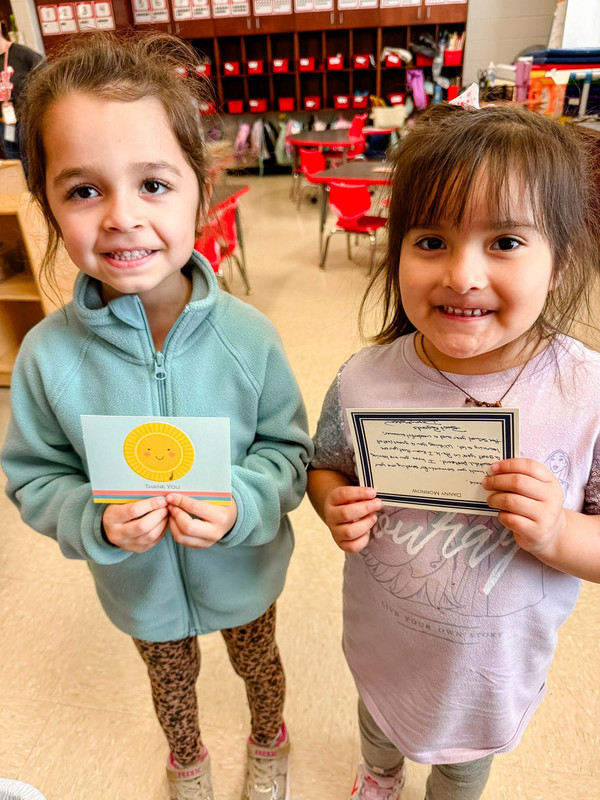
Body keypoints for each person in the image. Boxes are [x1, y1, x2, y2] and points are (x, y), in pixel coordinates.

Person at [1, 32, 312, 800]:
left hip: (244, 568)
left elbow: (290, 453)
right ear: (49, 207)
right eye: (83, 191)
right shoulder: (46, 357)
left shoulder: (248, 337)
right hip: (138, 586)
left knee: (258, 663)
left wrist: (245, 501)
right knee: (170, 682)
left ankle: (268, 738)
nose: (120, 218)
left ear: (199, 190)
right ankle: (188, 762)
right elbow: (35, 477)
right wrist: (94, 521)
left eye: (152, 184)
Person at [307, 100, 600, 800]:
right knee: (378, 729)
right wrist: (331, 506)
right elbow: (325, 464)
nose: (462, 274)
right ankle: (378, 777)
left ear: (560, 261)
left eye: (504, 242)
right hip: (385, 647)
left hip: (487, 677)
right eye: (431, 241)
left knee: (459, 775)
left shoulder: (585, 392)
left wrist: (558, 531)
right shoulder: (364, 377)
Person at [0, 19, 43, 161]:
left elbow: (48, 81)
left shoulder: (23, 55)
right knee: (16, 167)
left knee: (34, 165)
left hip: (28, 123)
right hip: (5, 123)